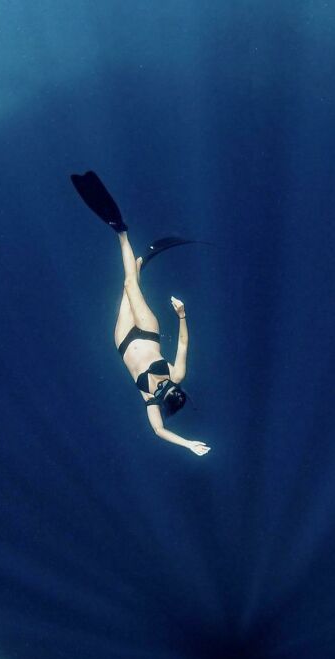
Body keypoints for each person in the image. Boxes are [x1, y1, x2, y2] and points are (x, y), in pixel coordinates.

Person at [71, 172, 211, 456]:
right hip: (148, 331)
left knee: (129, 281)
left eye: (165, 394)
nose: (165, 389)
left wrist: (189, 445)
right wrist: (182, 315)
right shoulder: (177, 373)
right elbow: (183, 344)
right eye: (171, 389)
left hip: (122, 340)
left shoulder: (149, 398)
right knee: (129, 282)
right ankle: (122, 231)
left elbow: (159, 431)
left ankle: (138, 261)